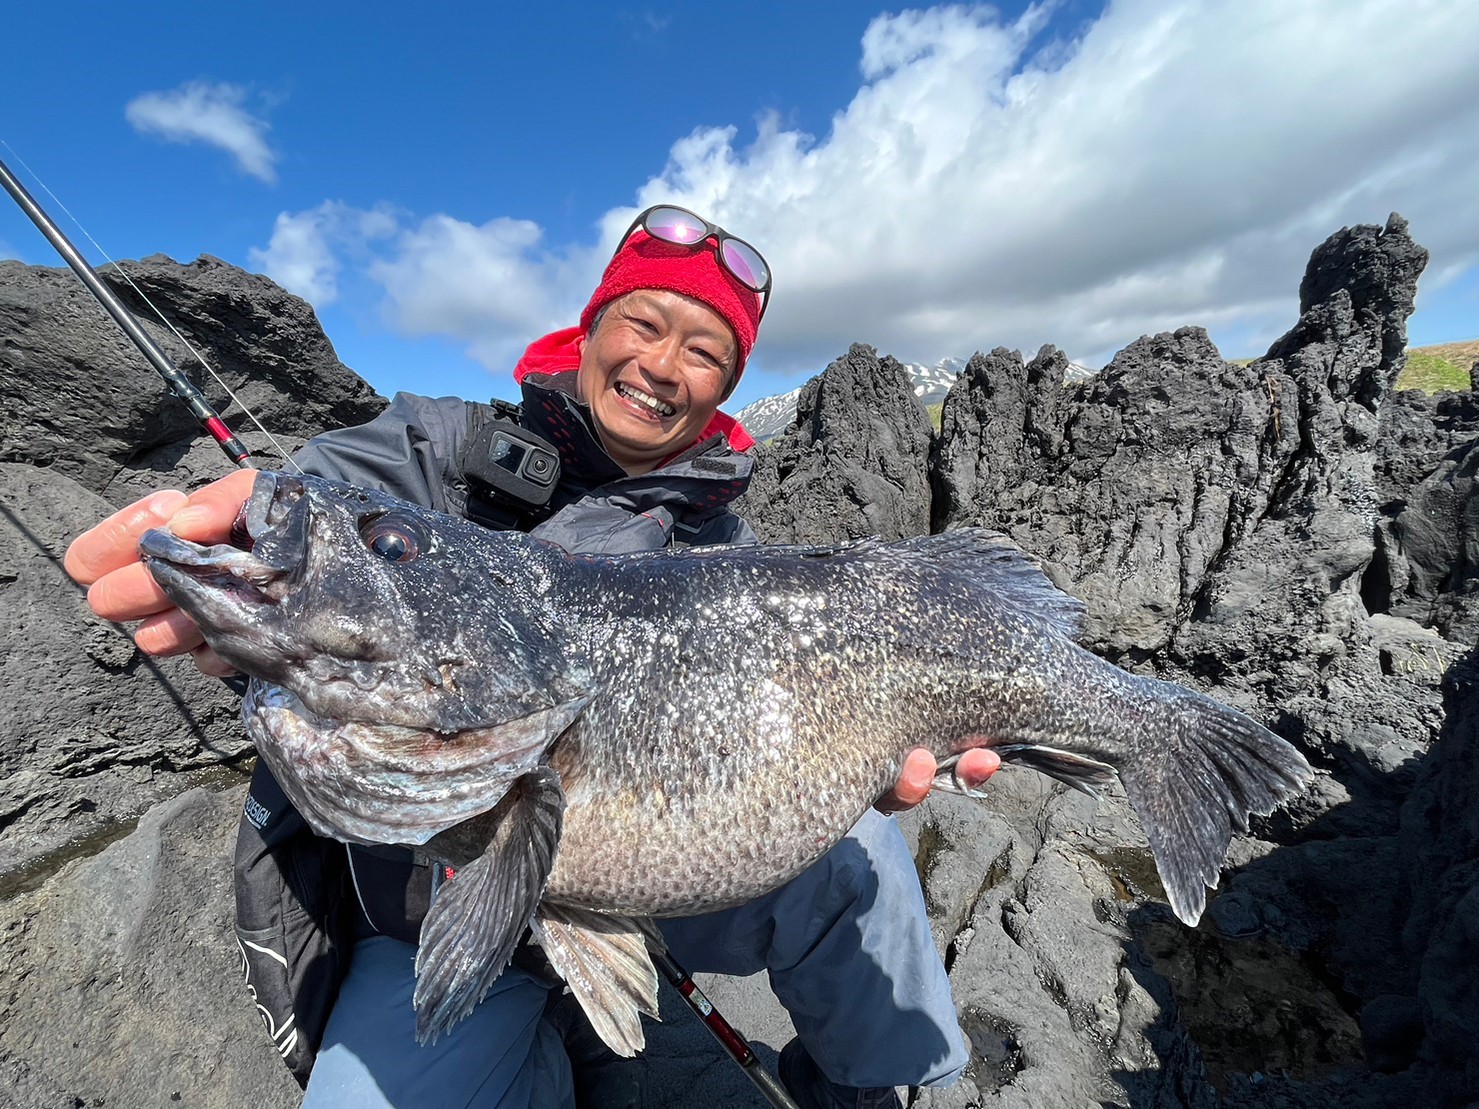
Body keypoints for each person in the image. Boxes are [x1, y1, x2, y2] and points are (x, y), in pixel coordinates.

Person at [65, 204, 1001, 1109]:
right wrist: (248, 510)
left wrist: (856, 756)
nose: (661, 365)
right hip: (427, 907)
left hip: (662, 880)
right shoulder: (437, 445)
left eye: (705, 352)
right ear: (589, 327)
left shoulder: (728, 552)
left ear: (724, 389)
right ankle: (539, 1048)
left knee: (862, 848)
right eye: (642, 322)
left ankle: (864, 1088)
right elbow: (333, 493)